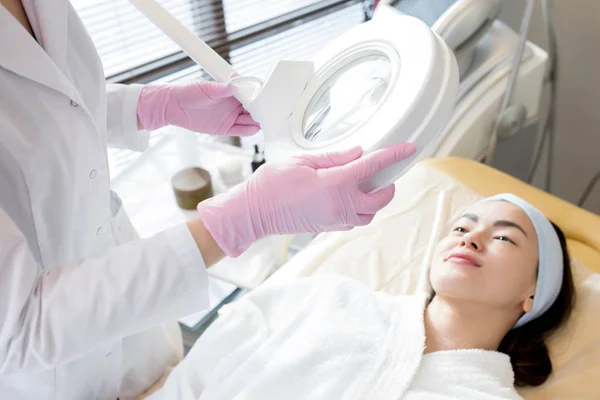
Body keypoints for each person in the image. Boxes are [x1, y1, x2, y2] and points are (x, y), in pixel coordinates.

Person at [0, 1, 417, 398]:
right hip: (48, 374)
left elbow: (48, 105)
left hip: (129, 311)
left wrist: (147, 106)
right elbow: (18, 327)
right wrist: (243, 218)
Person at [145, 194, 575, 399]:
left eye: (503, 237)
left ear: (532, 293)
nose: (472, 238)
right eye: (461, 228)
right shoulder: (329, 298)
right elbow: (199, 373)